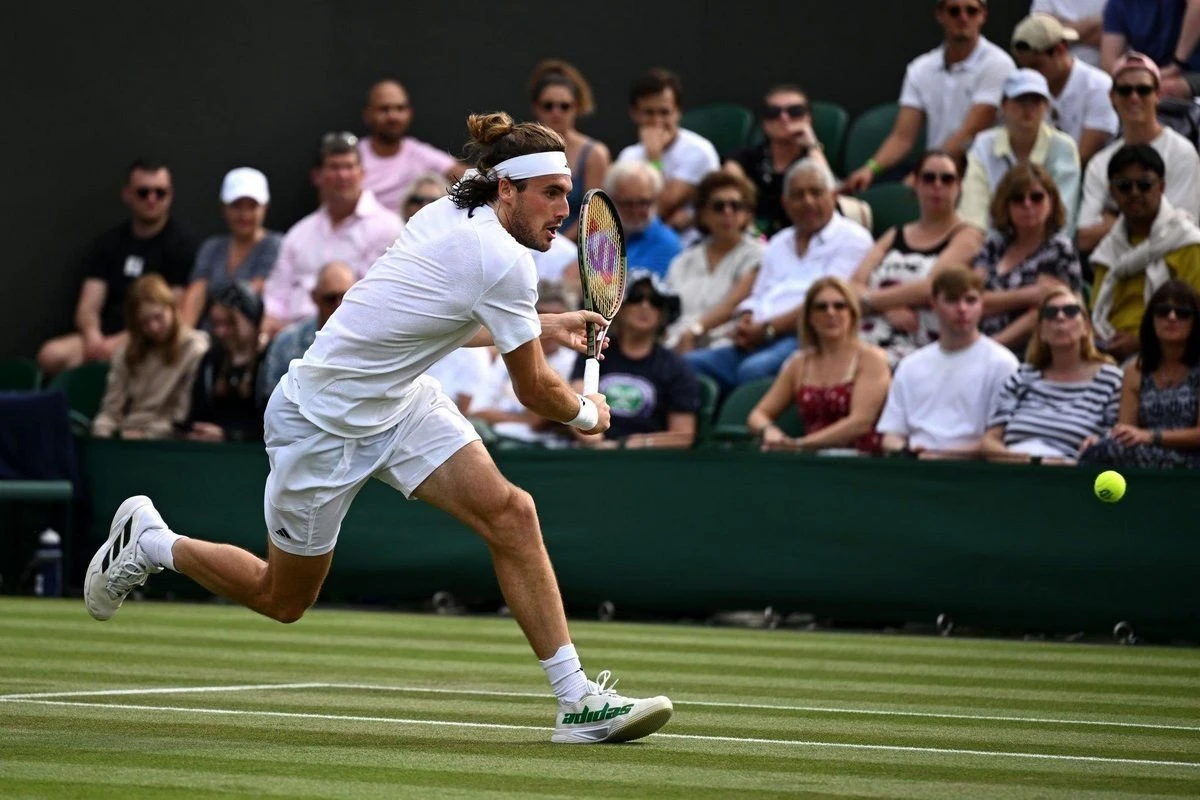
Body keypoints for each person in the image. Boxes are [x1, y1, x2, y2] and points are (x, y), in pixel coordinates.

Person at [84, 111, 673, 745]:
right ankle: (150, 543)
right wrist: (588, 414)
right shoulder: (503, 259)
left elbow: (433, 319)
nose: (564, 208)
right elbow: (535, 390)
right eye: (550, 193)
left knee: (512, 513)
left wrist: (543, 325)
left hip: (398, 404)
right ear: (506, 190)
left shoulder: (455, 210)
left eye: (567, 192)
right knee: (281, 598)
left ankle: (576, 701)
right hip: (321, 423)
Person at [687, 158, 874, 393]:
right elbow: (759, 294)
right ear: (785, 203)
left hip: (806, 338)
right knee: (688, 365)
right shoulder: (778, 242)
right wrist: (747, 317)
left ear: (833, 196)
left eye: (816, 193)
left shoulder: (852, 239)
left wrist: (768, 329)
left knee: (753, 370)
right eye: (798, 195)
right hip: (758, 337)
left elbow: (826, 303)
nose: (808, 201)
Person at [37, 159, 196, 377]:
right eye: (143, 192)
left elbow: (174, 312)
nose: (152, 199)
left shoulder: (181, 247)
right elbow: (88, 306)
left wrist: (120, 342)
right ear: (127, 194)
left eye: (160, 192)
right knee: (52, 355)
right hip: (102, 338)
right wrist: (94, 338)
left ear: (171, 195)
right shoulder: (110, 243)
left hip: (149, 339)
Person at [843, 0, 1015, 193]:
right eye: (954, 11)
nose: (963, 18)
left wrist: (924, 172)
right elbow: (902, 137)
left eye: (972, 11)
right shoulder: (920, 68)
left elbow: (969, 132)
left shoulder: (998, 65)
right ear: (940, 15)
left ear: (983, 15)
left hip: (984, 174)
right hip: (935, 172)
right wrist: (871, 169)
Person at [261, 132, 404, 336]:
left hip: (354, 335)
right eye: (334, 167)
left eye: (349, 167)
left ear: (362, 173)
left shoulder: (388, 228)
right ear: (317, 176)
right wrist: (271, 320)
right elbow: (277, 291)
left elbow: (378, 298)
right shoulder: (299, 233)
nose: (342, 175)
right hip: (291, 337)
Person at [853, 151, 982, 369]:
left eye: (947, 179)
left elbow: (932, 287)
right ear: (916, 183)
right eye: (929, 178)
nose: (937, 185)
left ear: (959, 186)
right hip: (865, 336)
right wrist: (888, 308)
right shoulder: (894, 234)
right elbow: (852, 285)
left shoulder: (967, 236)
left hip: (918, 347)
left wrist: (869, 302)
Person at [876, 267, 1019, 457]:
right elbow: (892, 434)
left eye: (970, 300)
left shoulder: (1002, 363)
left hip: (976, 471)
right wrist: (905, 452)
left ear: (982, 304)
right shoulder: (910, 365)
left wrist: (942, 455)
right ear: (933, 304)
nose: (962, 309)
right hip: (914, 468)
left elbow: (1001, 440)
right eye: (952, 300)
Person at [747, 277, 890, 454]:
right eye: (821, 307)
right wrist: (768, 431)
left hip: (860, 462)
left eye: (839, 306)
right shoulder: (799, 363)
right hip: (812, 461)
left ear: (852, 314)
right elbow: (758, 414)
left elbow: (860, 423)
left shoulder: (870, 358)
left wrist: (800, 444)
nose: (831, 313)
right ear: (810, 318)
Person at [1076, 54, 1200, 254]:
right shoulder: (1100, 162)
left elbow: (1179, 230)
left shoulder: (1182, 152)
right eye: (1125, 90)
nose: (1134, 97)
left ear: (1158, 94)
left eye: (1143, 90)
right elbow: (1084, 238)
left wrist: (1114, 217)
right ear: (1112, 97)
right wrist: (1146, 215)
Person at [981, 286, 1121, 463]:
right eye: (1050, 313)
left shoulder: (1111, 380)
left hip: (1069, 478)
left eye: (1070, 311)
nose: (1060, 317)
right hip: (1014, 472)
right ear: (1040, 332)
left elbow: (1114, 441)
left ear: (1086, 327)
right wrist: (1028, 461)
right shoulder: (1023, 375)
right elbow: (989, 441)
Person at [1089, 144, 1200, 362]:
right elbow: (1096, 313)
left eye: (1144, 185)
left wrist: (1141, 341)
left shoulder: (1187, 243)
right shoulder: (1108, 250)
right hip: (1106, 354)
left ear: (1162, 187)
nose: (1135, 193)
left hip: (1169, 355)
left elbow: (1196, 318)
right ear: (1112, 192)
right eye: (1124, 186)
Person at [571, 272, 699, 449]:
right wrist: (596, 443)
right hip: (591, 453)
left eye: (655, 301)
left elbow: (683, 436)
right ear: (618, 307)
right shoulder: (593, 351)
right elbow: (576, 403)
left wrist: (628, 445)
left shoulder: (676, 367)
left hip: (646, 462)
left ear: (663, 314)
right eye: (635, 298)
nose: (645, 306)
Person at [1081, 280, 1200, 469]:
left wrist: (1152, 436)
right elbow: (1127, 430)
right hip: (1149, 453)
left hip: (1193, 457)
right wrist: (1104, 439)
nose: (1171, 317)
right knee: (1099, 449)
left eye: (1183, 313)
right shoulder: (1135, 369)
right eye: (1162, 311)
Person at [974, 163, 1083, 353]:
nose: (1027, 205)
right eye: (1018, 199)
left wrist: (989, 348)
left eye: (1036, 197)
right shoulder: (995, 244)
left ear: (1052, 201)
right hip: (978, 336)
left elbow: (1058, 309)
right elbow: (973, 299)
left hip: (1029, 352)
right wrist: (1030, 294)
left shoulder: (1060, 249)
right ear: (1005, 205)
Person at [959, 69, 1081, 236]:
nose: (1028, 108)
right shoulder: (984, 144)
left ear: (1046, 106)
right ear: (1004, 105)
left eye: (1036, 101)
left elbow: (1061, 218)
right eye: (1020, 100)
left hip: (1048, 249)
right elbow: (973, 213)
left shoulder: (1064, 147)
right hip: (989, 247)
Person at [91, 275, 210, 440]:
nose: (153, 327)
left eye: (158, 317)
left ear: (172, 309)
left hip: (166, 440)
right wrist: (102, 433)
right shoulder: (125, 353)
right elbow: (111, 410)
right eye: (145, 322)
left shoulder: (195, 350)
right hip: (126, 434)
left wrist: (145, 435)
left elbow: (181, 417)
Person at [665, 171, 762, 352]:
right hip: (674, 344)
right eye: (719, 206)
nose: (728, 212)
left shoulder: (758, 255)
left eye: (736, 206)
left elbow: (733, 304)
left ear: (747, 213)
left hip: (725, 347)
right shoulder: (682, 262)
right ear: (703, 214)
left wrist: (693, 332)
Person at [616, 69, 719, 230]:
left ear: (678, 112)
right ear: (634, 114)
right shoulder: (628, 155)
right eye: (649, 113)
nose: (657, 121)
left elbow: (660, 208)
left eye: (665, 112)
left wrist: (654, 158)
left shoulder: (699, 151)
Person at [1011, 12, 1118, 165]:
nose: (1031, 75)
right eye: (1025, 67)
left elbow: (1083, 156)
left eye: (1036, 66)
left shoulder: (1099, 86)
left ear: (1060, 49)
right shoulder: (1025, 89)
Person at [180, 167, 282, 329]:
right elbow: (196, 293)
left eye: (252, 206)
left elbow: (253, 292)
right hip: (209, 337)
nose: (244, 214)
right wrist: (183, 337)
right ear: (224, 209)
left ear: (265, 208)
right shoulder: (211, 247)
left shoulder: (275, 245)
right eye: (236, 206)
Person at [528, 59, 611, 239]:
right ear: (536, 107)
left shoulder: (594, 154)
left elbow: (595, 216)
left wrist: (557, 245)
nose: (556, 113)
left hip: (576, 252)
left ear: (577, 107)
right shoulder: (522, 149)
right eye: (548, 106)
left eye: (564, 106)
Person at [259, 262, 358, 403]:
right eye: (330, 299)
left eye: (345, 296)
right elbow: (273, 399)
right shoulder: (287, 342)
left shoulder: (370, 342)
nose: (338, 305)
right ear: (315, 297)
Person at [358, 80, 462, 211]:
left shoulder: (420, 154)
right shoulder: (352, 158)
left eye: (400, 108)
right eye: (384, 109)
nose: (393, 116)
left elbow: (465, 175)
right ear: (368, 114)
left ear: (410, 113)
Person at [184, 282, 267, 443]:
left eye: (230, 323)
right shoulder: (211, 360)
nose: (220, 332)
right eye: (216, 324)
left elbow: (274, 424)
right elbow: (196, 412)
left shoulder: (268, 361)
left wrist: (229, 436)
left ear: (252, 321)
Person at [1100, 0, 1200, 101]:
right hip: (1154, 75)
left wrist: (1176, 64)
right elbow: (1109, 62)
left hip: (1194, 72)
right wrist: (1139, 77)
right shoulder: (1117, 4)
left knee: (1167, 89)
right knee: (1131, 91)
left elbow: (1197, 5)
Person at [605, 160, 682, 277]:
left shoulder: (667, 243)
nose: (635, 211)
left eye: (643, 203)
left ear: (655, 199)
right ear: (612, 201)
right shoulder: (599, 240)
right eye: (627, 203)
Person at [1030, 0, 1107, 67]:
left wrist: (1061, 29)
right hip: (1058, 76)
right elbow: (1041, 36)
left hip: (1104, 75)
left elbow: (1110, 36)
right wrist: (1094, 23)